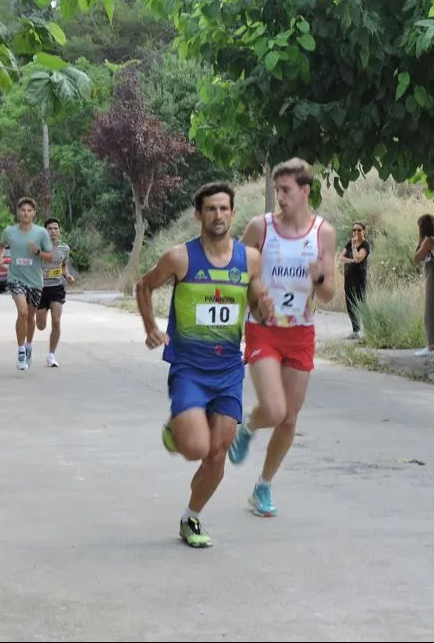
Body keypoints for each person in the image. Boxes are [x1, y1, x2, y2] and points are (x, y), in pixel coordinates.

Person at [136, 182, 271, 548]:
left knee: (217, 452)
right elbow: (144, 286)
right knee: (196, 447)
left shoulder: (250, 259)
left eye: (224, 208)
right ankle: (177, 431)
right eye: (210, 209)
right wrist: (151, 327)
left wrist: (263, 306)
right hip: (189, 369)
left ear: (232, 212)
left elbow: (256, 300)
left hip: (227, 370)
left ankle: (191, 518)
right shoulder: (180, 258)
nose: (218, 215)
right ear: (198, 215)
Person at [226, 158, 338, 518]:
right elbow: (235, 269)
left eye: (286, 190)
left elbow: (329, 294)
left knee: (289, 418)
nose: (280, 197)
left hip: (300, 332)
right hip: (264, 328)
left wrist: (320, 278)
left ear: (305, 191)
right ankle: (248, 427)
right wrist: (256, 296)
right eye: (277, 190)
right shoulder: (261, 227)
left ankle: (263, 486)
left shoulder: (324, 233)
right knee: (274, 409)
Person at [0, 198, 53, 371]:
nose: (26, 213)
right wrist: (0, 258)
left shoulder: (41, 233)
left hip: (35, 281)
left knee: (30, 317)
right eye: (23, 210)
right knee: (22, 312)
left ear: (34, 213)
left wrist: (37, 252)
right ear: (18, 212)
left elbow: (51, 256)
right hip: (16, 278)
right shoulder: (9, 231)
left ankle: (29, 345)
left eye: (29, 210)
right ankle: (21, 350)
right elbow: (1, 245)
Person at [37, 217, 77, 368]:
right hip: (40, 289)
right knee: (41, 325)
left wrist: (67, 275)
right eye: (50, 229)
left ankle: (51, 355)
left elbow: (64, 264)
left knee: (57, 321)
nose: (53, 231)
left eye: (55, 228)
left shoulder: (64, 248)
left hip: (57, 288)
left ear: (59, 231)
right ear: (45, 231)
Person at [413, 214, 434, 357]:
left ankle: (432, 345)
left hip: (433, 278)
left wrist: (420, 240)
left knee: (430, 311)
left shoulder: (429, 241)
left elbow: (416, 257)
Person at [340, 222, 370, 338]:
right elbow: (341, 257)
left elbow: (358, 258)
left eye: (359, 230)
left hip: (359, 278)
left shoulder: (365, 245)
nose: (356, 232)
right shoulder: (350, 243)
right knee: (350, 303)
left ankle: (368, 328)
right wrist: (351, 260)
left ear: (363, 231)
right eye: (354, 230)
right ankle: (355, 330)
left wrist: (353, 248)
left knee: (361, 302)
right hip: (349, 277)